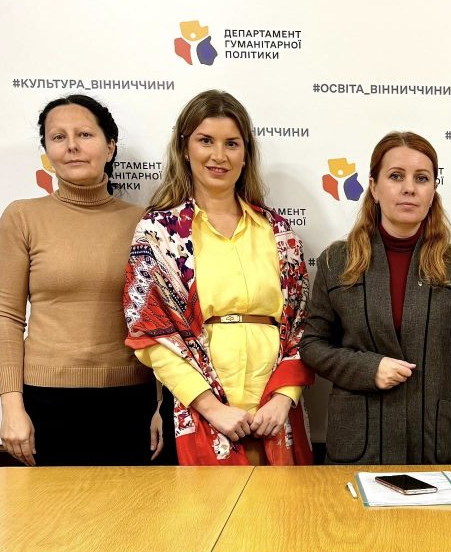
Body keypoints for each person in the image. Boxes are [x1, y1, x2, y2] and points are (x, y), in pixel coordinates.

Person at [124, 90, 313, 466]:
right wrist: (212, 408)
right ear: (185, 148)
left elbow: (305, 328)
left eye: (231, 143)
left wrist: (283, 398)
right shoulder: (160, 232)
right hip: (200, 413)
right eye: (206, 141)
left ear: (246, 153)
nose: (219, 155)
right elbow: (150, 332)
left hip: (274, 416)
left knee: (281, 506)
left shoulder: (279, 233)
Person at [0, 94, 160, 466]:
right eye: (58, 137)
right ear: (47, 151)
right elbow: (7, 318)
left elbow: (162, 320)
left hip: (131, 399)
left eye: (84, 134)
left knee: (131, 504)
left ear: (110, 146)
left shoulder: (145, 222)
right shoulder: (22, 217)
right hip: (45, 400)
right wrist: (11, 407)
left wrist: (162, 405)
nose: (71, 146)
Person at [301, 132, 451, 465]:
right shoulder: (337, 262)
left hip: (433, 445)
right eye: (396, 176)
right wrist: (368, 368)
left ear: (433, 189)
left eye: (421, 178)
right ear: (374, 187)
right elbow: (313, 345)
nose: (409, 188)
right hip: (358, 446)